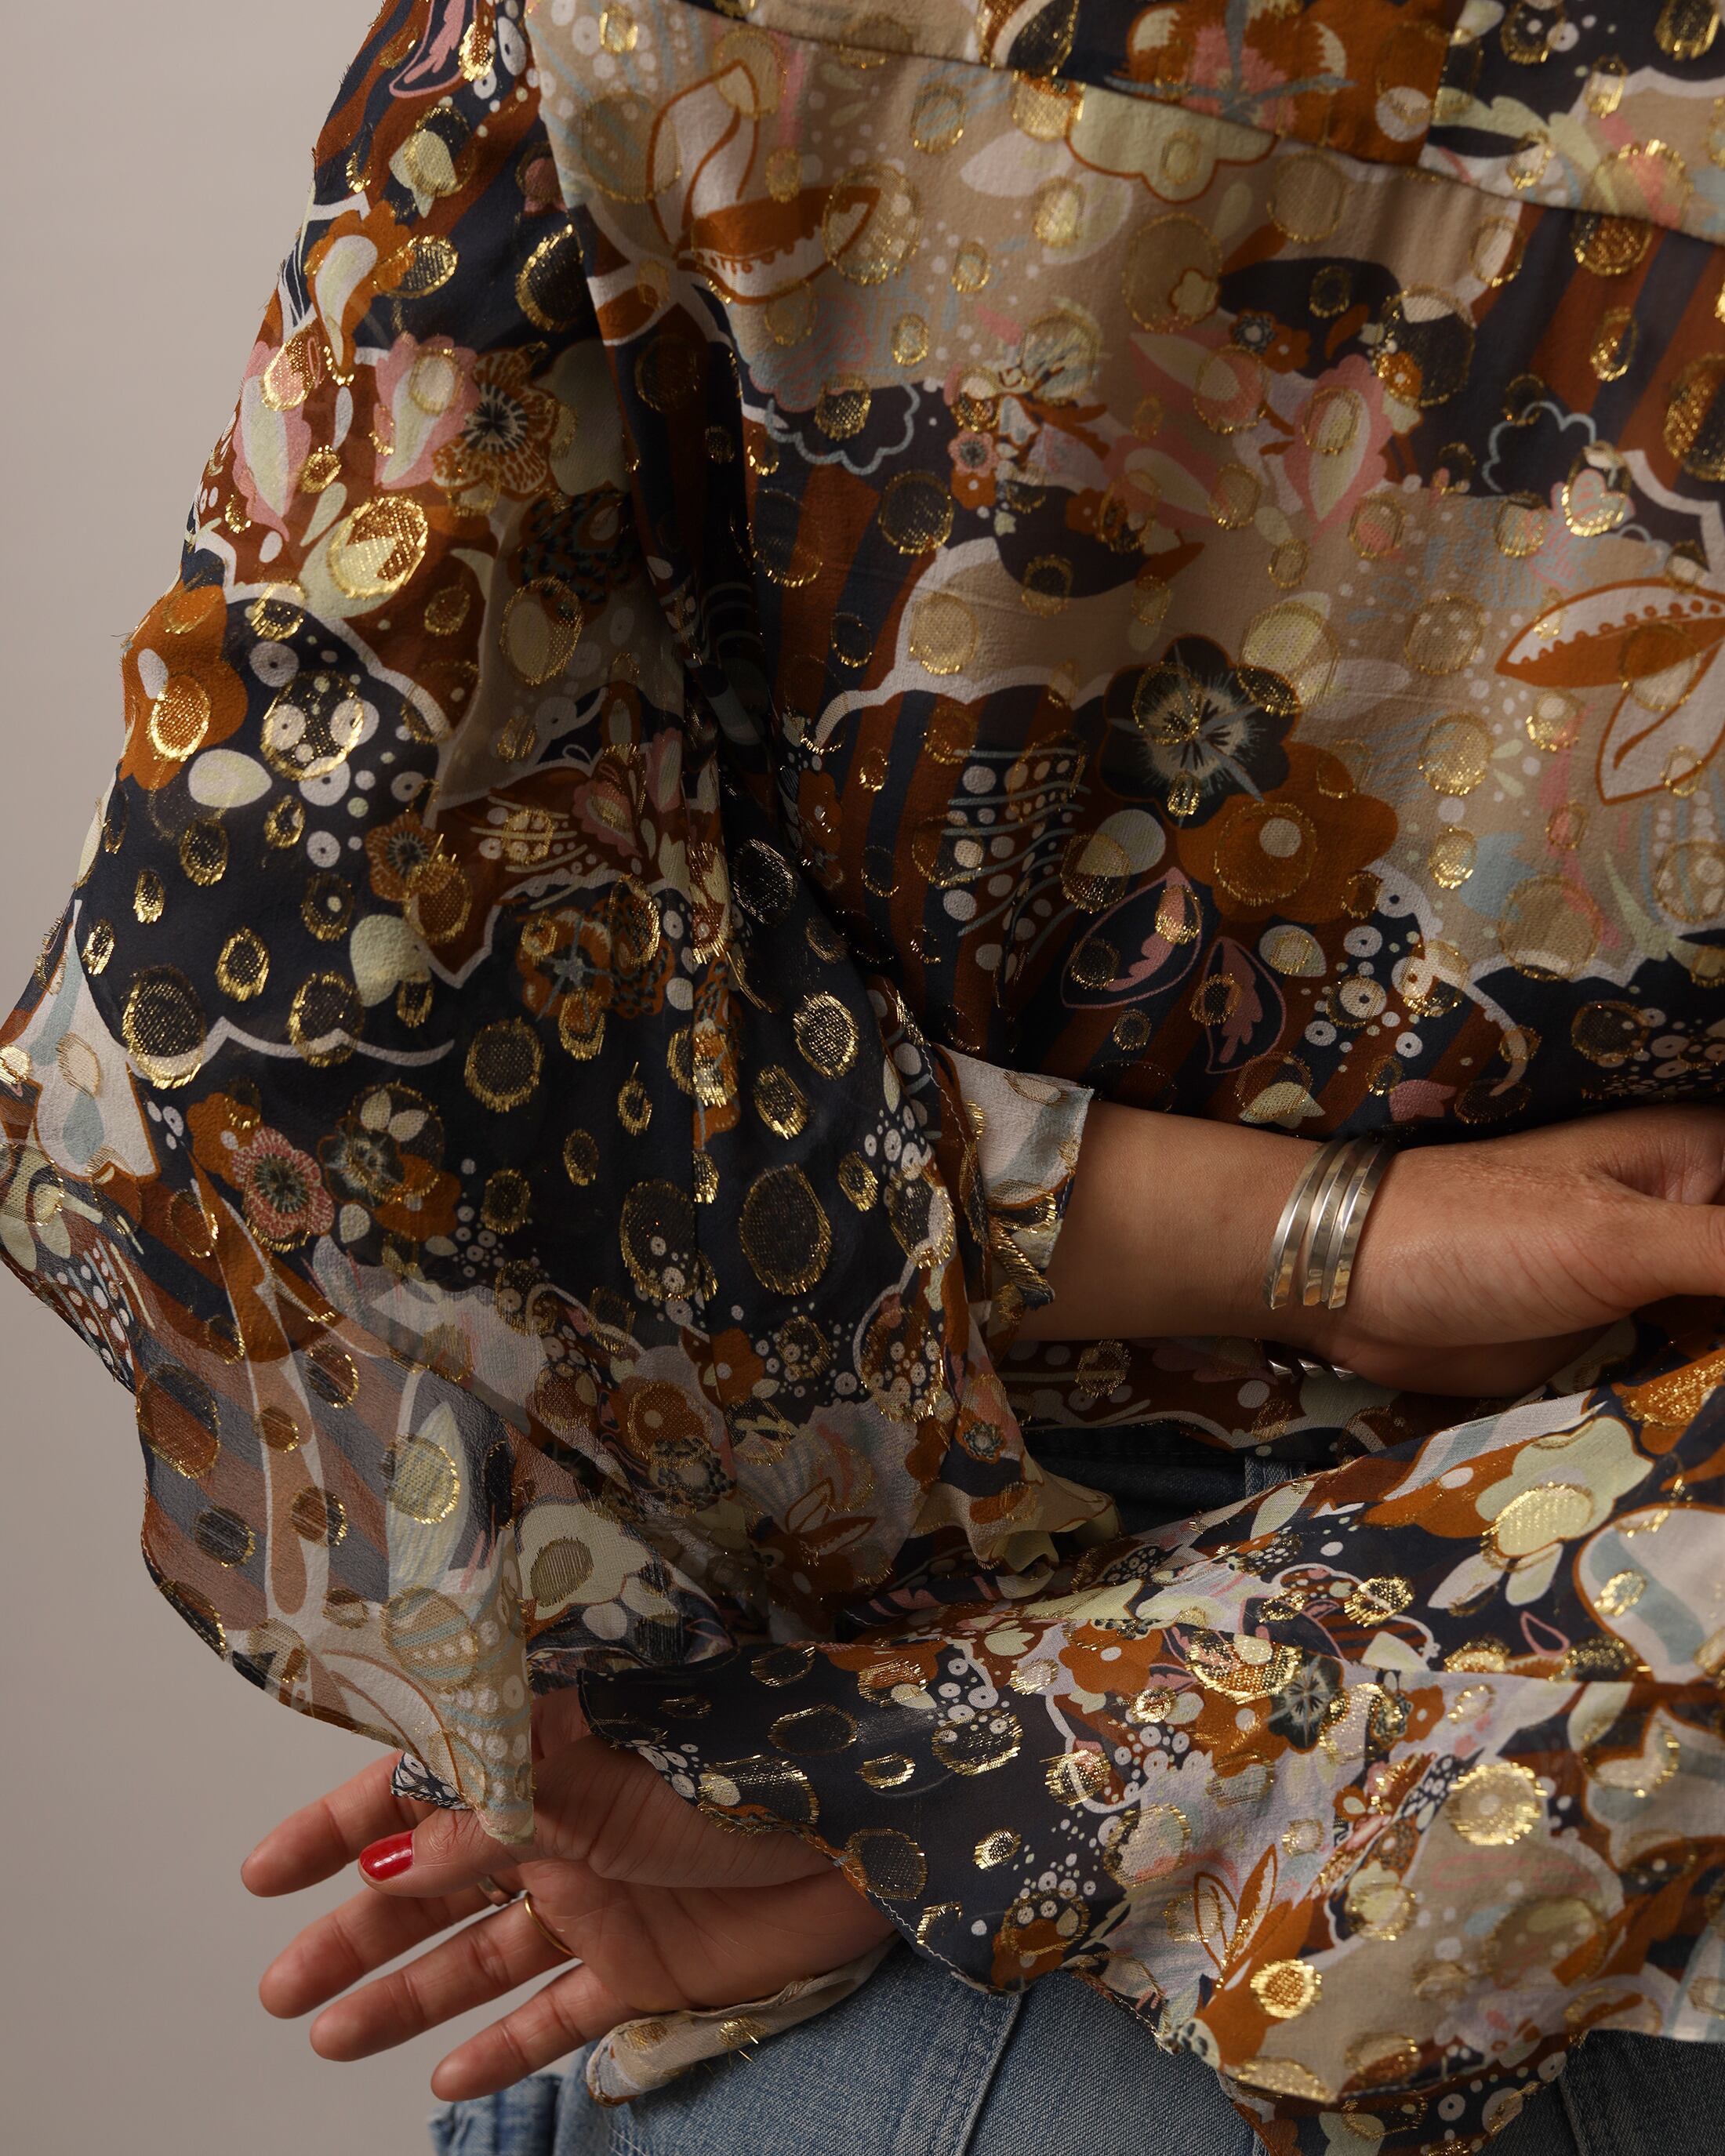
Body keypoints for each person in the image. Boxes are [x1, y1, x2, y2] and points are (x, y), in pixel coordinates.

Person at [2, 1, 1723, 2151]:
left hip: (848, 1787)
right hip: (1486, 1796)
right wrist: (1337, 1261)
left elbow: (266, 1013)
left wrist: (944, 1787)